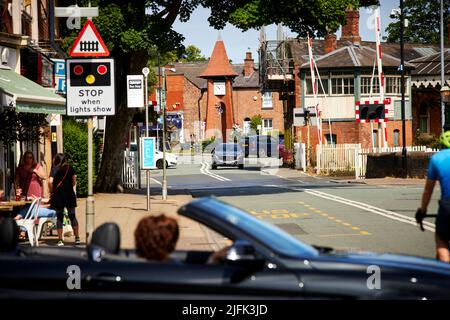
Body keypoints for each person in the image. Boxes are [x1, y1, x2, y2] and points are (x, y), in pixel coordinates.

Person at [418, 131, 450, 263]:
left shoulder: (437, 159)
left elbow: (428, 190)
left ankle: (445, 272)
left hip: (447, 206)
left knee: (442, 240)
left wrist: (423, 210)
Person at [49, 153, 80, 246]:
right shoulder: (70, 168)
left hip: (58, 195)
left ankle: (60, 240)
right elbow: (74, 180)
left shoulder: (54, 169)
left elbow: (50, 181)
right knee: (72, 216)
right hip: (69, 194)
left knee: (59, 217)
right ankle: (77, 238)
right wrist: (70, 186)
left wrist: (52, 190)